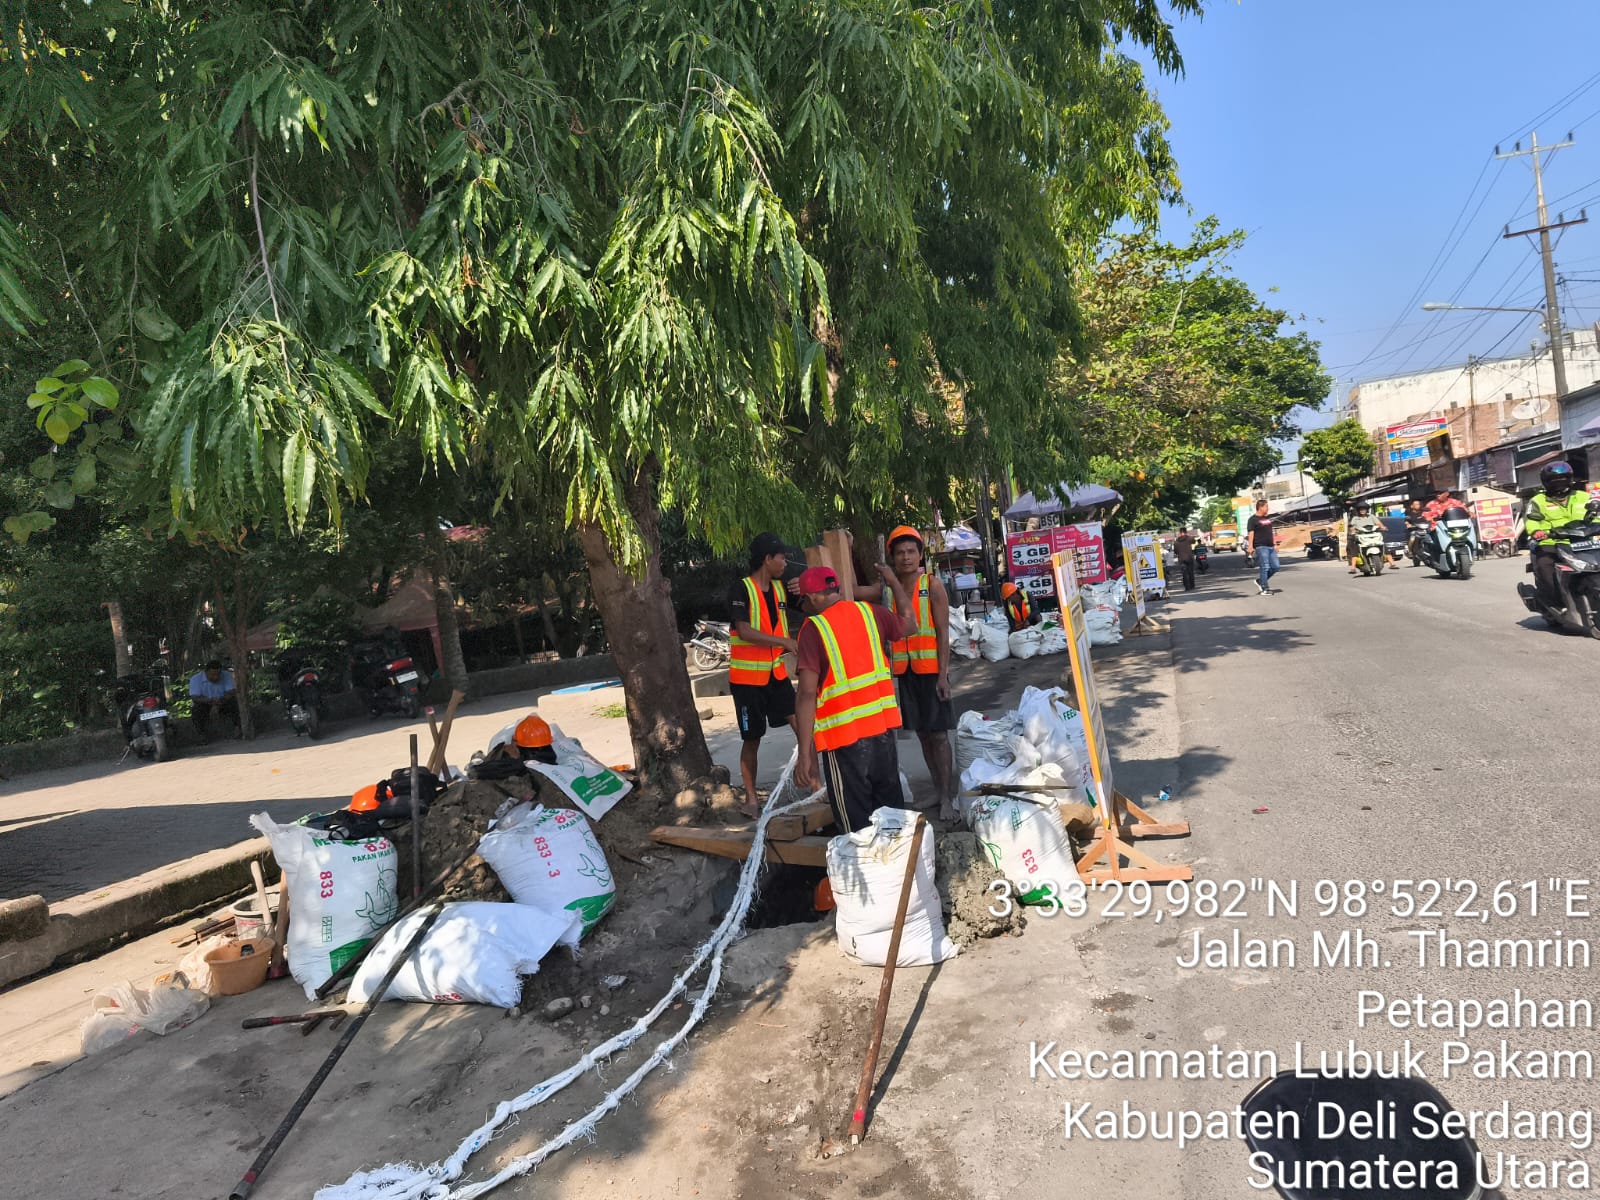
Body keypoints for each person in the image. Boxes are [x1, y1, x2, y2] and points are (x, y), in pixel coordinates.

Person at [793, 564, 916, 833]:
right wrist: (894, 582)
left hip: (844, 741)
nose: (805, 608)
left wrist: (805, 753)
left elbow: (806, 693)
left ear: (813, 597)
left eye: (804, 602)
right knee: (891, 816)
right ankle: (898, 859)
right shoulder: (870, 613)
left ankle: (866, 861)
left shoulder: (814, 629)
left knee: (855, 828)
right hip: (883, 734)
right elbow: (910, 623)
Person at [855, 526, 956, 822]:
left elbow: (943, 632)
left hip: (932, 672)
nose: (906, 557)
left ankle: (947, 797)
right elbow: (851, 592)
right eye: (900, 553)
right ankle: (937, 790)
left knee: (939, 736)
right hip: (906, 673)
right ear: (892, 557)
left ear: (921, 555)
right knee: (923, 735)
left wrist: (943, 675)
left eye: (911, 551)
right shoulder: (888, 589)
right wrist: (847, 549)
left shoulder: (931, 586)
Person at [727, 532, 800, 818]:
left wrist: (806, 585)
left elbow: (810, 603)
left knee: (803, 727)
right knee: (752, 739)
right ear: (767, 559)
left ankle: (816, 785)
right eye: (782, 557)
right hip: (747, 682)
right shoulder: (740, 590)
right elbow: (744, 631)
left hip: (776, 675)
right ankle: (751, 799)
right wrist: (784, 642)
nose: (785, 562)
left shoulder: (782, 589)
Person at [1525, 461, 1600, 608]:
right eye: (1554, 479)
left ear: (1570, 478)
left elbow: (1596, 515)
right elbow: (1532, 521)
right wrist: (1537, 532)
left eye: (1563, 478)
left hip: (1584, 541)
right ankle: (1554, 604)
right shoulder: (1538, 501)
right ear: (1546, 482)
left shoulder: (1583, 496)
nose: (1559, 481)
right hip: (1552, 542)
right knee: (1545, 566)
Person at [188, 659, 238, 742]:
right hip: (205, 703)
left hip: (222, 701)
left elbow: (230, 692)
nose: (216, 677)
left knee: (234, 703)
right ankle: (201, 735)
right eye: (212, 674)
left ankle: (238, 727)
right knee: (196, 709)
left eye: (218, 674)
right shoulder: (195, 679)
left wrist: (219, 702)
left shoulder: (226, 675)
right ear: (206, 672)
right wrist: (210, 701)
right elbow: (195, 697)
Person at [1245, 500, 1280, 595]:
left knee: (1276, 567)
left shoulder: (1267, 518)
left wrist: (1275, 544)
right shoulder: (1252, 519)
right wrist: (1250, 546)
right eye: (1266, 506)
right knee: (1265, 567)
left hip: (1270, 546)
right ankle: (1265, 589)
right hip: (1261, 546)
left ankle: (1261, 581)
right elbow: (1251, 533)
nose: (1268, 508)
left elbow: (1270, 532)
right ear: (1260, 507)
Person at [1346, 503, 1382, 574]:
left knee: (1383, 545)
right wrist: (1353, 530)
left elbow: (1379, 524)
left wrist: (1383, 527)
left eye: (1364, 509)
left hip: (1373, 536)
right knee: (1355, 549)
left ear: (1367, 510)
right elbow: (1351, 527)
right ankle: (1353, 568)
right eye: (1361, 509)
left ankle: (1391, 562)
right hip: (1360, 537)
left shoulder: (1371, 516)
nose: (1362, 511)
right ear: (1358, 511)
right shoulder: (1355, 518)